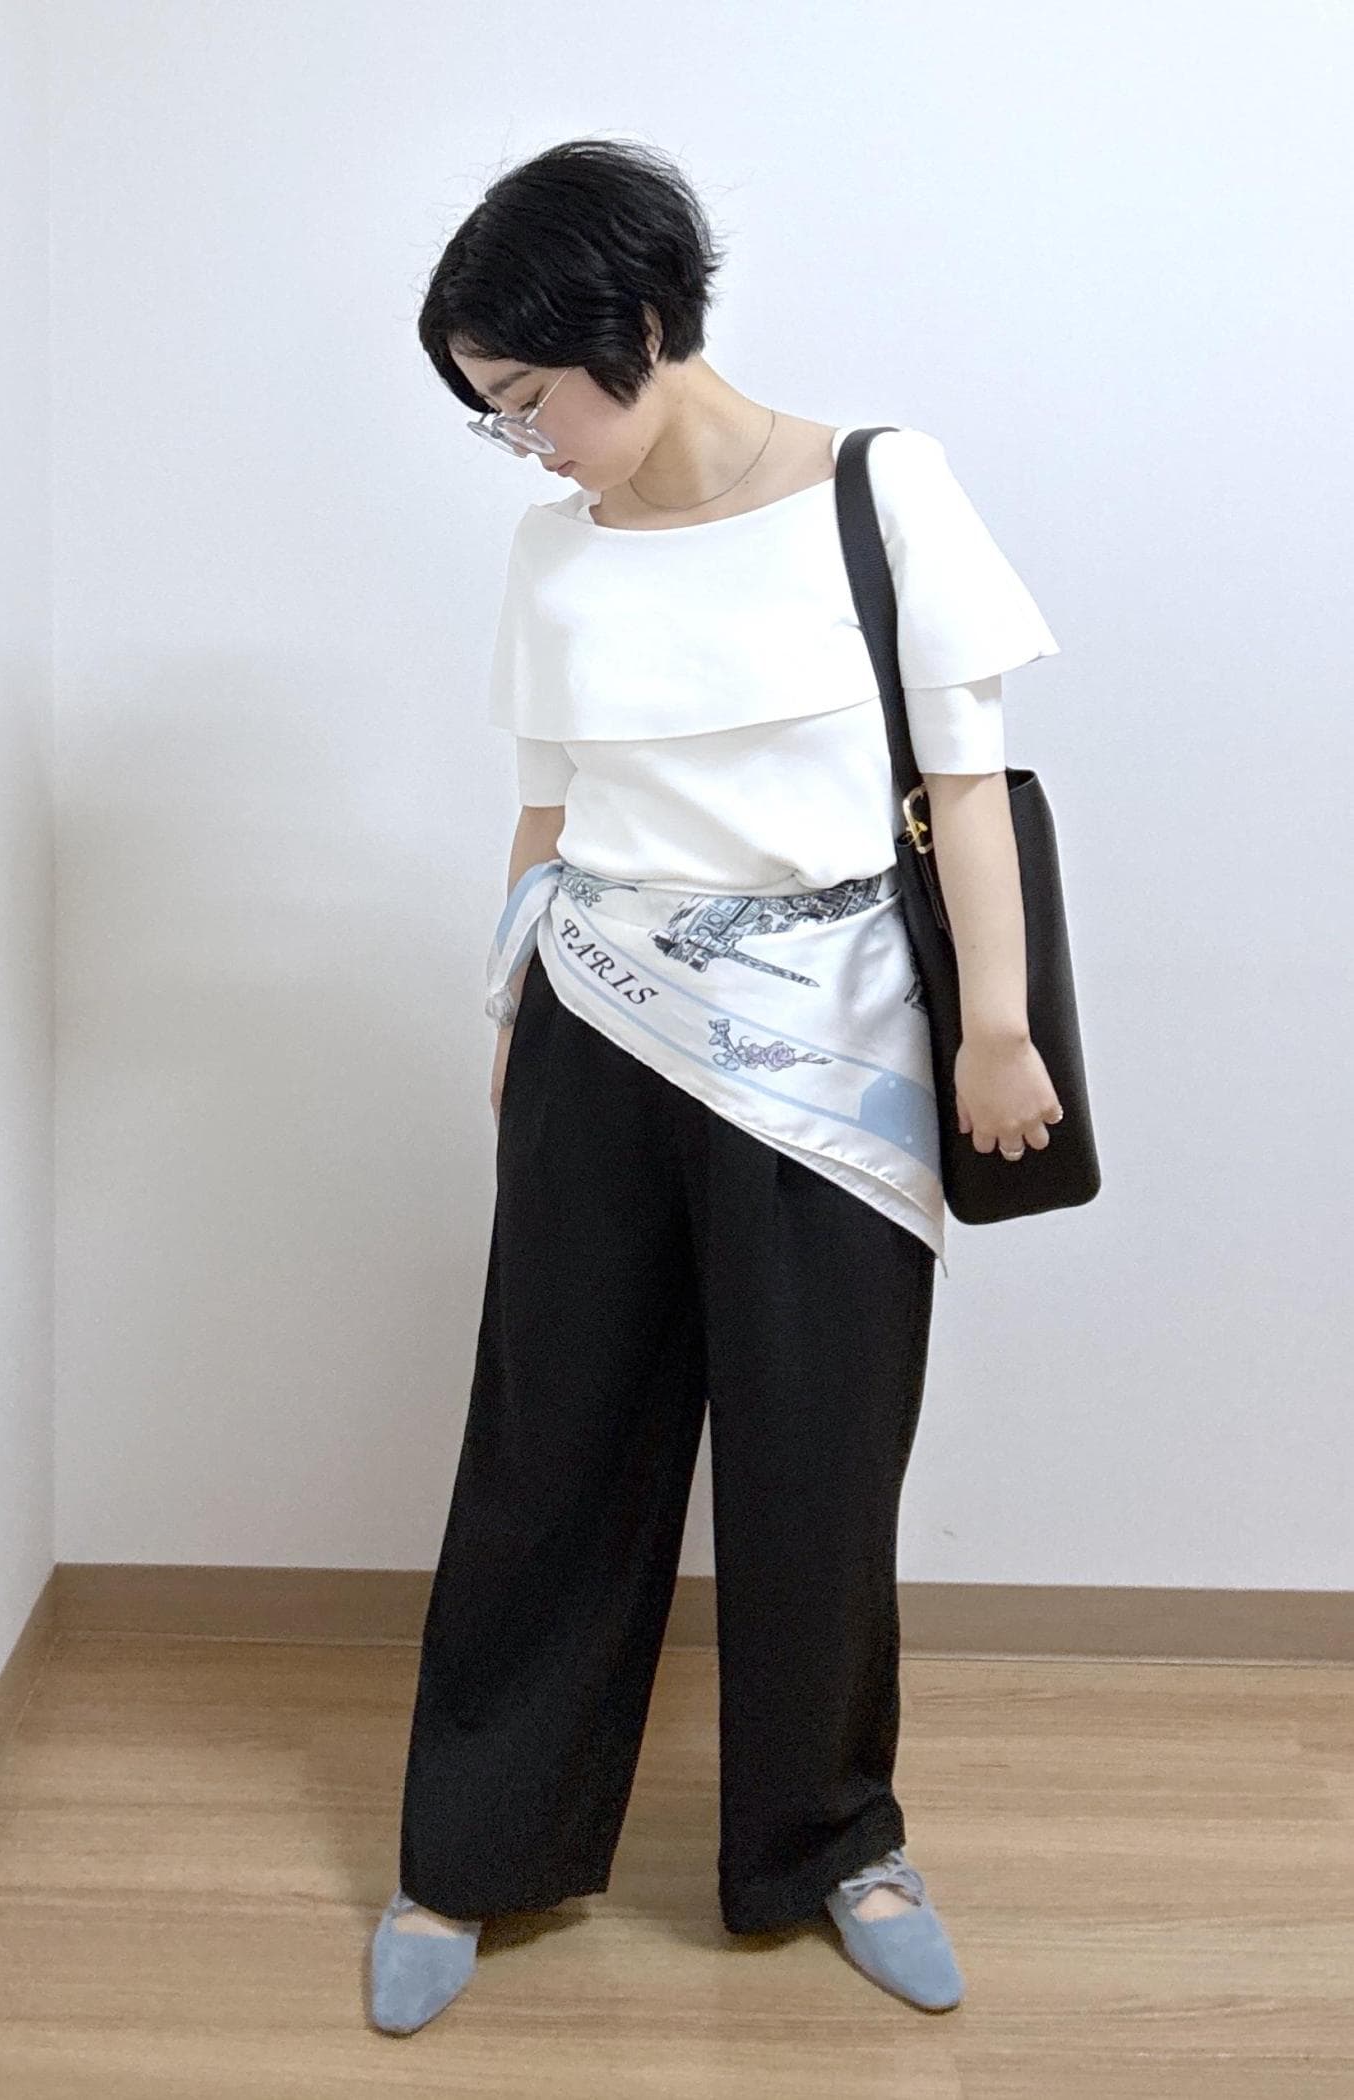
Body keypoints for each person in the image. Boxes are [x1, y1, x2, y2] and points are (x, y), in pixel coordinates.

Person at [369, 136, 1065, 2036]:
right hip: (594, 1019)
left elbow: (967, 781)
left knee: (819, 1456)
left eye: (531, 397)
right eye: (491, 413)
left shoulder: (880, 491)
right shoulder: (554, 553)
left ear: (647, 326)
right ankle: (474, 1850)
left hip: (838, 1039)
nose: (523, 444)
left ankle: (834, 1843)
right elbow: (545, 807)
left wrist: (995, 1029)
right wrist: (507, 1017)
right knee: (551, 1447)